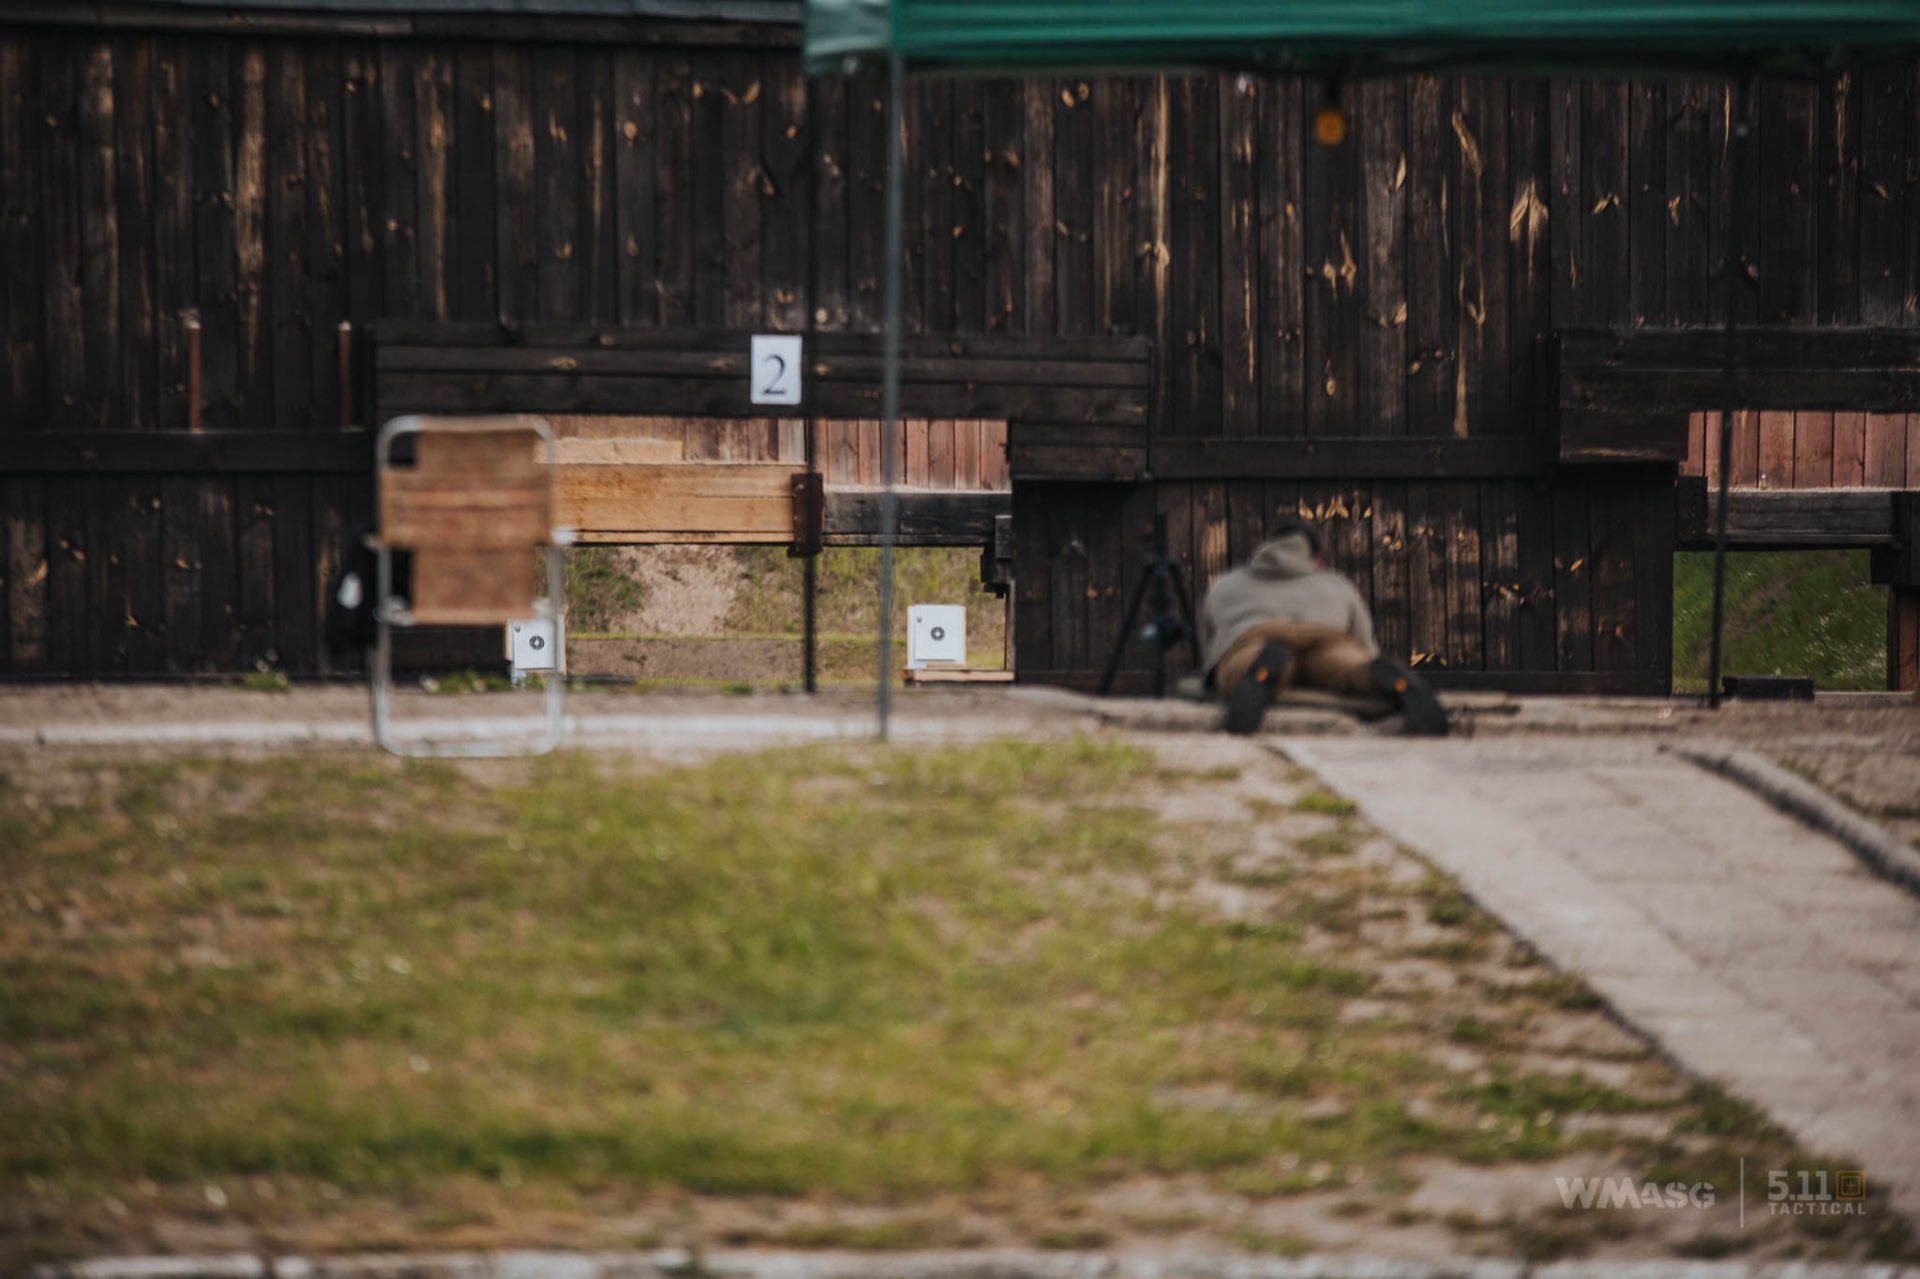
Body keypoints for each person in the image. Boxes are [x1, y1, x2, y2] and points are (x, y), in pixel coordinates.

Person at [1199, 518, 1448, 736]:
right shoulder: (1335, 583)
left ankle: (1261, 671)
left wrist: (1214, 669)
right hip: (1325, 637)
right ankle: (1384, 678)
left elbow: (1210, 643)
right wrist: (1370, 658)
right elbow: (1364, 640)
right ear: (1315, 558)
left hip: (1257, 635)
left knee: (1244, 665)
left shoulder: (1226, 584)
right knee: (1350, 666)